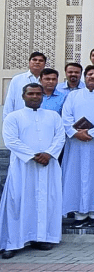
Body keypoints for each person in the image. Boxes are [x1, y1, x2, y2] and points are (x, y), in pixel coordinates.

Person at [0, 84, 64, 259]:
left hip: (48, 165)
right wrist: (33, 156)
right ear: (23, 96)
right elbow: (11, 141)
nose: (35, 97)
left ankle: (41, 237)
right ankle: (12, 242)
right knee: (17, 202)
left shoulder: (53, 116)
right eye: (31, 94)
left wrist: (49, 153)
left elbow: (60, 137)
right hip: (23, 166)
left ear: (43, 96)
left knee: (46, 200)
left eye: (38, 94)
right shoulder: (13, 117)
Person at [61, 66, 94, 227]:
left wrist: (93, 133)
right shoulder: (73, 96)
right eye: (90, 74)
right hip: (76, 145)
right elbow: (66, 116)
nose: (93, 77)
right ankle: (79, 213)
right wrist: (76, 134)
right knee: (75, 175)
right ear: (85, 77)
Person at [4, 52, 45, 118]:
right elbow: (10, 101)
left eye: (41, 60)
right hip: (20, 119)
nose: (37, 62)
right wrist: (7, 119)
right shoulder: (17, 79)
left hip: (41, 118)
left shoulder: (48, 81)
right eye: (34, 60)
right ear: (29, 62)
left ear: (44, 64)